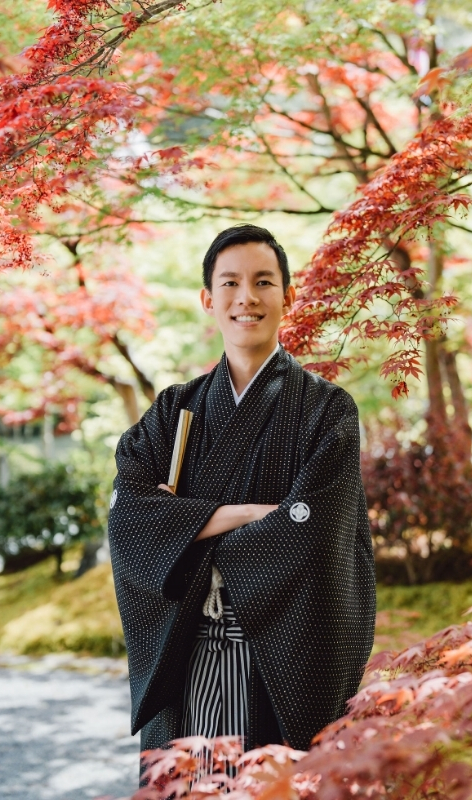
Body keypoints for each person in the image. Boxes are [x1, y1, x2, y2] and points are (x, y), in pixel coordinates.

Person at [107, 224, 376, 784]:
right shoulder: (175, 409)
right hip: (186, 655)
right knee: (190, 786)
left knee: (266, 788)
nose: (246, 297)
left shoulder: (328, 410)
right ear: (208, 299)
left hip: (277, 661)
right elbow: (129, 518)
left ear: (287, 295)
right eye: (229, 283)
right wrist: (254, 514)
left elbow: (314, 533)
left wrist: (184, 523)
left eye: (263, 282)